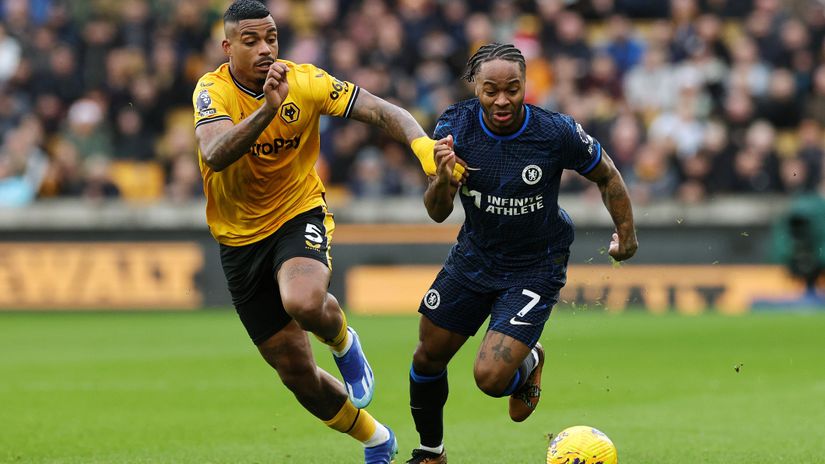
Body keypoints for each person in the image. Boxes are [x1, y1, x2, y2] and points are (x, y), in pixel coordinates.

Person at [191, 1, 460, 462]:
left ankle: (342, 341)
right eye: (251, 40)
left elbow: (379, 110)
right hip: (237, 241)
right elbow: (215, 153)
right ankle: (376, 438)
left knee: (303, 300)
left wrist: (422, 149)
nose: (265, 49)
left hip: (298, 212)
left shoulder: (306, 81)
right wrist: (266, 112)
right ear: (227, 46)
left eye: (271, 38)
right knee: (295, 372)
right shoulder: (211, 91)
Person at [405, 43, 638, 464]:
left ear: (525, 85)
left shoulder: (555, 132)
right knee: (428, 354)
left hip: (535, 264)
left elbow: (608, 175)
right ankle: (430, 452)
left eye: (512, 88)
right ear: (475, 86)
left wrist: (626, 235)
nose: (502, 100)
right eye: (491, 89)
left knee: (491, 379)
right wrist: (443, 179)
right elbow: (437, 212)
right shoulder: (454, 127)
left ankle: (529, 359)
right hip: (475, 257)